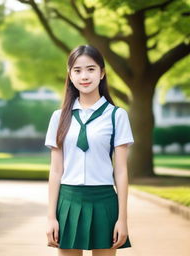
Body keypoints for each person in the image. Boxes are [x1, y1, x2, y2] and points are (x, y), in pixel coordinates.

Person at [44, 45, 134, 256]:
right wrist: (51, 217)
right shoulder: (59, 117)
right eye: (77, 70)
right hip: (68, 200)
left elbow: (120, 171)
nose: (84, 76)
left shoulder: (117, 116)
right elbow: (56, 170)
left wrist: (122, 219)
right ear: (70, 75)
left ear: (102, 73)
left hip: (104, 201)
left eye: (91, 69)